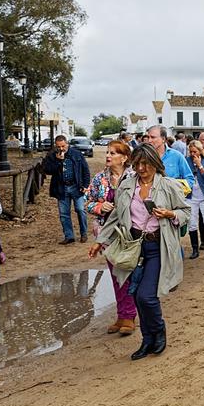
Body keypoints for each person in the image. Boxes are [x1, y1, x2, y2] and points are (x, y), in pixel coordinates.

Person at [89, 144, 190, 360]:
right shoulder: (127, 186)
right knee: (134, 293)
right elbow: (116, 214)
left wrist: (171, 214)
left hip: (157, 248)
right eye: (138, 164)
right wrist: (100, 241)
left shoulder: (168, 185)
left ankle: (159, 331)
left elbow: (185, 212)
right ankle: (147, 339)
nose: (142, 168)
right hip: (133, 247)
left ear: (155, 163)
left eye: (146, 163)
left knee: (147, 297)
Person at [85, 139, 137, 335]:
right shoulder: (100, 179)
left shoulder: (133, 177)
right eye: (107, 152)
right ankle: (121, 315)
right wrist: (99, 207)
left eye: (113, 153)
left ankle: (130, 315)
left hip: (129, 232)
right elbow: (86, 202)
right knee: (116, 275)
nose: (108, 156)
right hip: (106, 233)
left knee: (128, 273)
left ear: (124, 158)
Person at [43, 135, 91, 245]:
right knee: (64, 213)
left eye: (63, 146)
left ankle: (83, 233)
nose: (61, 149)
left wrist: (85, 185)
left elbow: (85, 171)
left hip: (76, 186)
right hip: (61, 187)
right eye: (58, 146)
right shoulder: (52, 155)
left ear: (67, 144)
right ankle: (69, 236)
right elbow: (47, 170)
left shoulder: (76, 154)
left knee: (80, 210)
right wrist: (59, 161)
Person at [186, 140, 204, 260]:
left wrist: (200, 165)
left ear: (200, 151)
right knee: (192, 223)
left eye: (195, 151)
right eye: (191, 151)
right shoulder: (186, 161)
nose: (193, 154)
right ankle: (194, 249)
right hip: (191, 196)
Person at [146, 125, 195, 190]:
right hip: (149, 198)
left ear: (163, 139)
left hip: (171, 198)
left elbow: (190, 180)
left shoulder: (177, 156)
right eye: (148, 137)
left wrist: (175, 191)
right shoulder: (144, 156)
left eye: (153, 137)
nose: (149, 140)